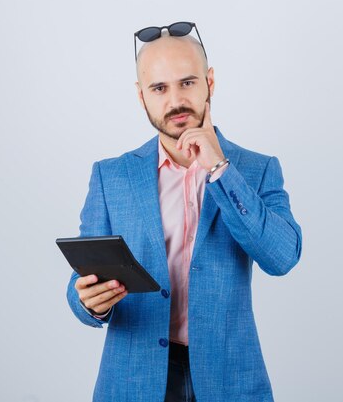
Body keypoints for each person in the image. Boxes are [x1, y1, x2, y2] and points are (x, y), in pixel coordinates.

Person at [66, 21, 302, 402]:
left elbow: (283, 257)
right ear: (141, 97)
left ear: (210, 82)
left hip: (230, 381)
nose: (175, 100)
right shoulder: (111, 176)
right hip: (132, 382)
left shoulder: (256, 170)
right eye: (159, 88)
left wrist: (221, 171)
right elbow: (83, 282)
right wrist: (87, 302)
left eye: (187, 83)